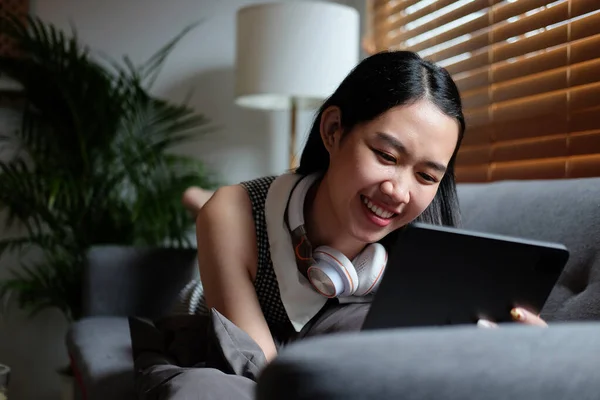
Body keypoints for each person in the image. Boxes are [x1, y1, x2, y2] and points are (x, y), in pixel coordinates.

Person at [135, 50, 546, 400]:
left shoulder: (424, 254)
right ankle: (198, 199)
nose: (399, 191)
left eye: (426, 176)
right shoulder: (234, 212)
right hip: (220, 327)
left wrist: (526, 355)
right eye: (387, 156)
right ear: (333, 130)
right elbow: (263, 375)